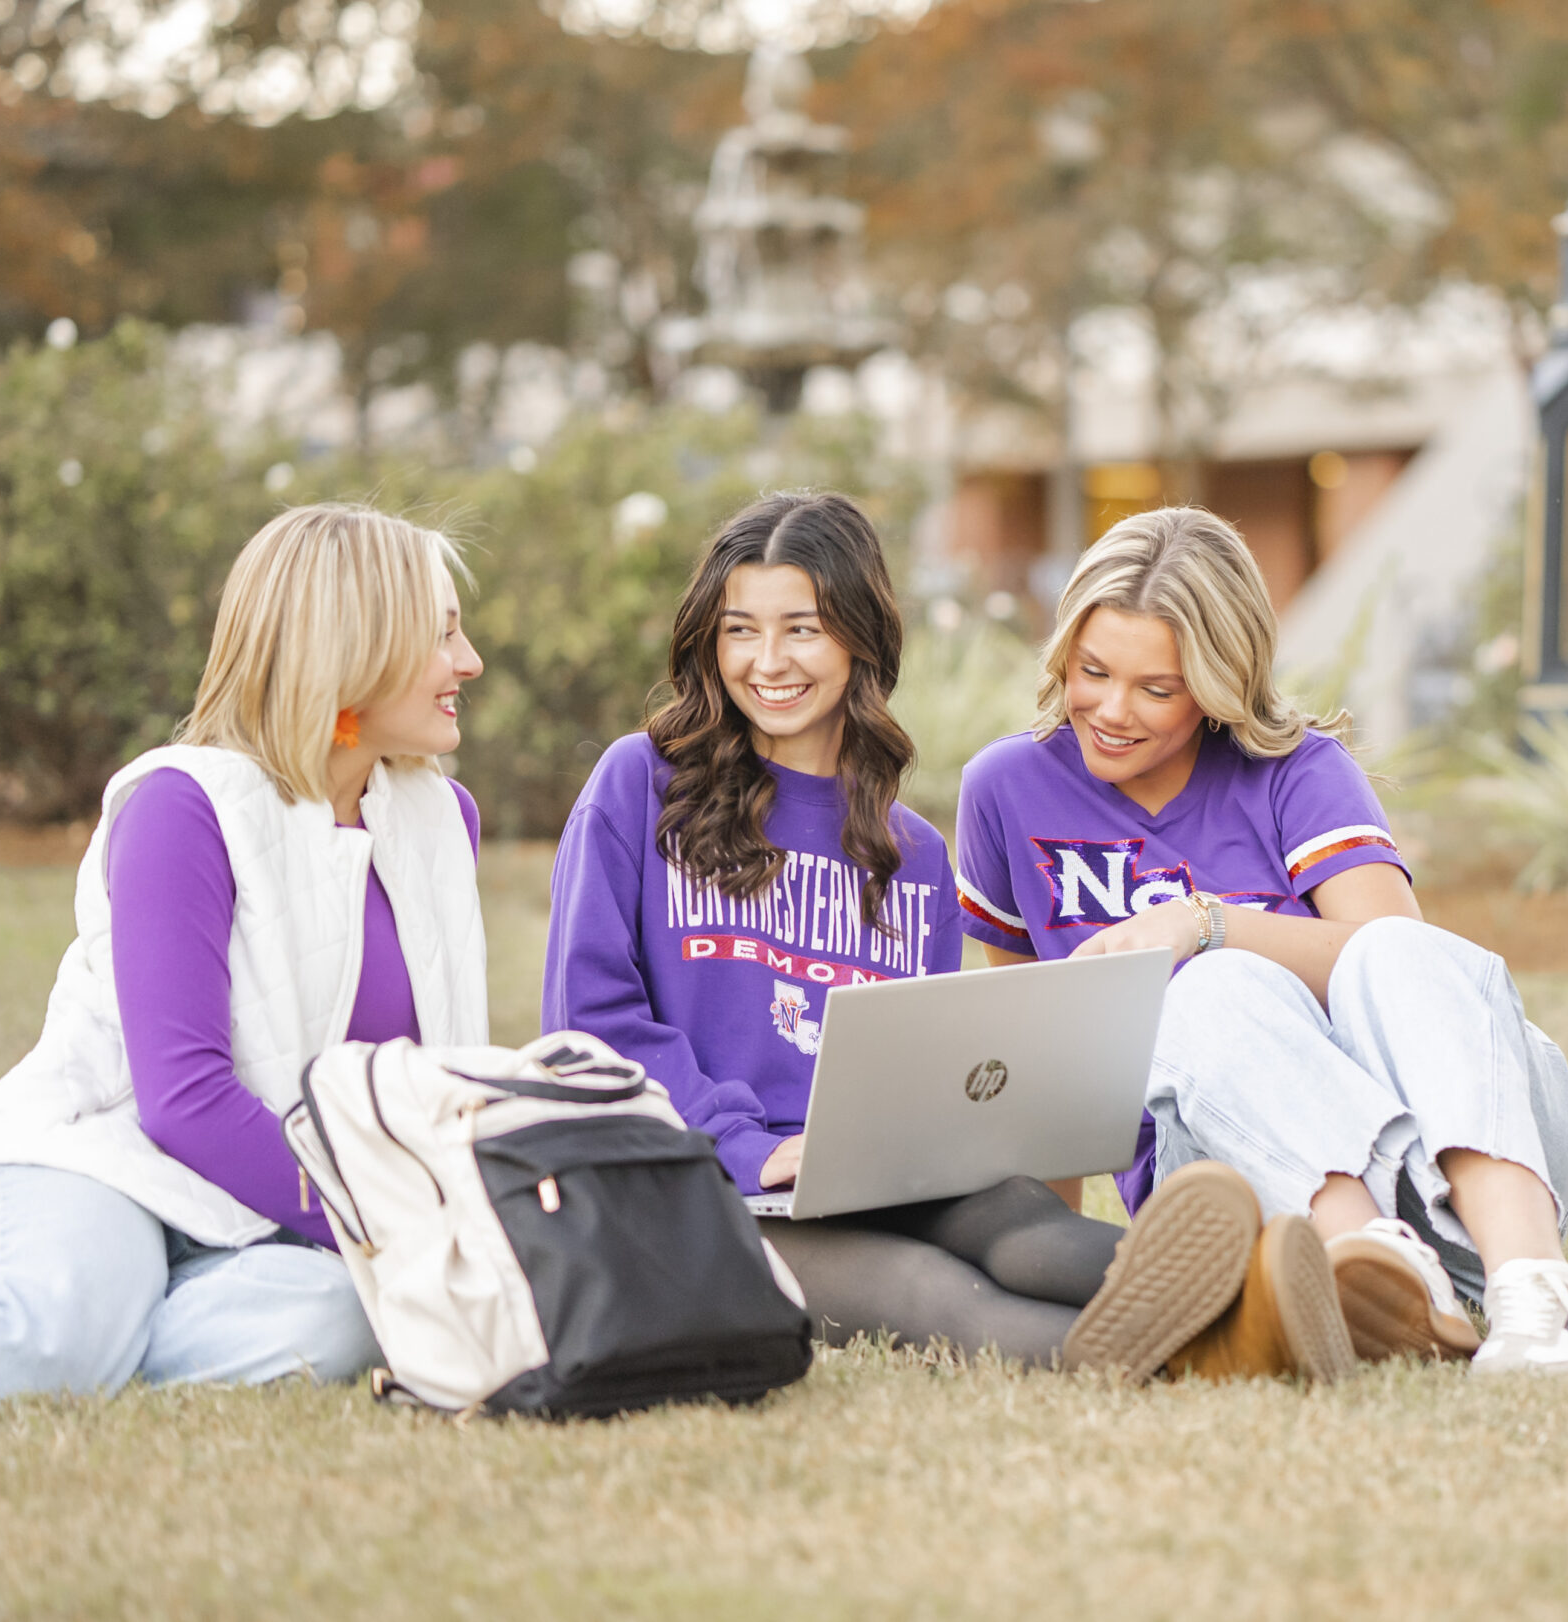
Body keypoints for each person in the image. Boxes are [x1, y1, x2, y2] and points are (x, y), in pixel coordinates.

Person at [542, 491, 1276, 1376]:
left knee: (1021, 1226)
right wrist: (752, 1147)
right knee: (932, 1292)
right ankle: (1231, 1351)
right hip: (694, 1184)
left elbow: (930, 1075)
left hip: (868, 1176)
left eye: (802, 630)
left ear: (860, 637)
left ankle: (1279, 1291)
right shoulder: (641, 784)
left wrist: (914, 1150)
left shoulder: (913, 856)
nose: (767, 661)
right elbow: (590, 1025)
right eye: (740, 630)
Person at [0, 504, 490, 1418]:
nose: (469, 661)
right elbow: (182, 1099)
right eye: (442, 635)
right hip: (106, 1162)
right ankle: (70, 1334)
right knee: (41, 1341)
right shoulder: (184, 806)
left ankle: (108, 1339)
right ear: (356, 647)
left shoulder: (441, 824)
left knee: (346, 1319)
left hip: (272, 1213)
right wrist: (384, 1225)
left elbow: (429, 1080)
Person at [955, 506, 1568, 1376]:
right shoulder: (1007, 789)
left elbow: (1398, 969)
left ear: (1218, 683)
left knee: (1333, 955)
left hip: (1456, 1170)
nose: (1110, 710)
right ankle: (1369, 1268)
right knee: (1205, 989)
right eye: (1092, 670)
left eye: (1157, 689)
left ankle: (1535, 1287)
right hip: (1237, 1186)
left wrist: (1204, 923)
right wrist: (1048, 1249)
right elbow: (1043, 1050)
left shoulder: (1298, 772)